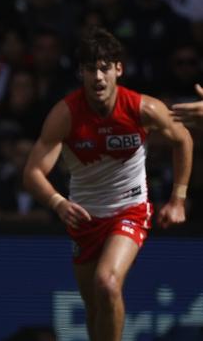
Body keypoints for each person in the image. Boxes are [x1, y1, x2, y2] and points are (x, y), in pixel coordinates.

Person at [23, 27, 193, 341]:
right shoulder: (66, 114)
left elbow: (182, 139)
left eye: (104, 68)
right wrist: (58, 203)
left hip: (130, 210)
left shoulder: (143, 108)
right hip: (84, 218)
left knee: (108, 283)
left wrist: (178, 198)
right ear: (81, 73)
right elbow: (32, 172)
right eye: (91, 69)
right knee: (94, 307)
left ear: (119, 69)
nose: (98, 77)